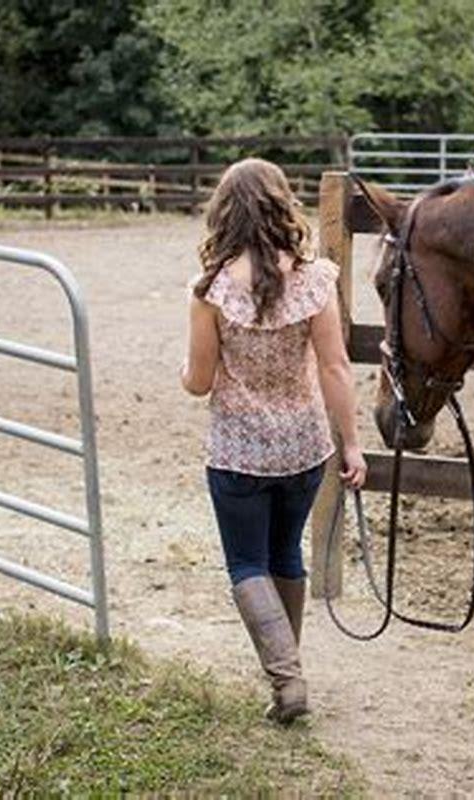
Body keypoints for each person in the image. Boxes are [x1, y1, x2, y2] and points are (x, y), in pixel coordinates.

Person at [180, 158, 366, 723]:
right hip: (304, 447)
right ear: (281, 206)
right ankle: (289, 668)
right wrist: (352, 445)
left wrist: (182, 373)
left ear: (224, 215)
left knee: (246, 564)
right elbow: (335, 368)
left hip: (238, 452)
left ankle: (286, 680)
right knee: (286, 553)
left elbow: (199, 381)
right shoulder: (314, 280)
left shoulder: (210, 290)